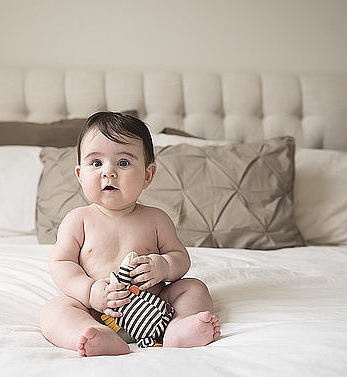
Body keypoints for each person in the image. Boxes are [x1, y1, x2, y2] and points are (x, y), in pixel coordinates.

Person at [39, 112, 220, 357]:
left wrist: (164, 266)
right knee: (54, 309)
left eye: (123, 163)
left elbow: (180, 257)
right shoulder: (78, 220)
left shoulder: (157, 219)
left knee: (194, 288)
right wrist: (90, 292)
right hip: (97, 311)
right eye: (96, 163)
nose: (108, 172)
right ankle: (93, 335)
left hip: (154, 309)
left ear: (147, 175)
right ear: (80, 175)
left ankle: (177, 329)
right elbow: (62, 263)